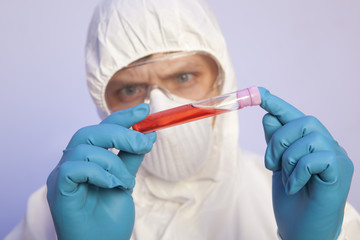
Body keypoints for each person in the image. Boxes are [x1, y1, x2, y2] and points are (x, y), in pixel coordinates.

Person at [5, 0, 360, 239]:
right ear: (102, 100)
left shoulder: (307, 196)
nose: (159, 107)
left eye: (184, 78)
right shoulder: (53, 212)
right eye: (130, 89)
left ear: (222, 81)